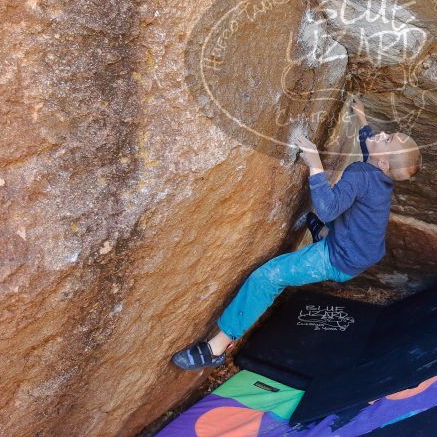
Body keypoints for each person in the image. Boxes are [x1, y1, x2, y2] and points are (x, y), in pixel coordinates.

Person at [172, 96, 422, 370]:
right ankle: (323, 234)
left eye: (387, 140)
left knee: (267, 278)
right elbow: (369, 146)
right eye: (390, 134)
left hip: (339, 259)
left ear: (384, 165)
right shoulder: (378, 174)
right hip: (361, 250)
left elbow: (328, 207)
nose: (382, 134)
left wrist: (315, 163)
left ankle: (216, 347)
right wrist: (361, 117)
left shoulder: (362, 174)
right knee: (329, 225)